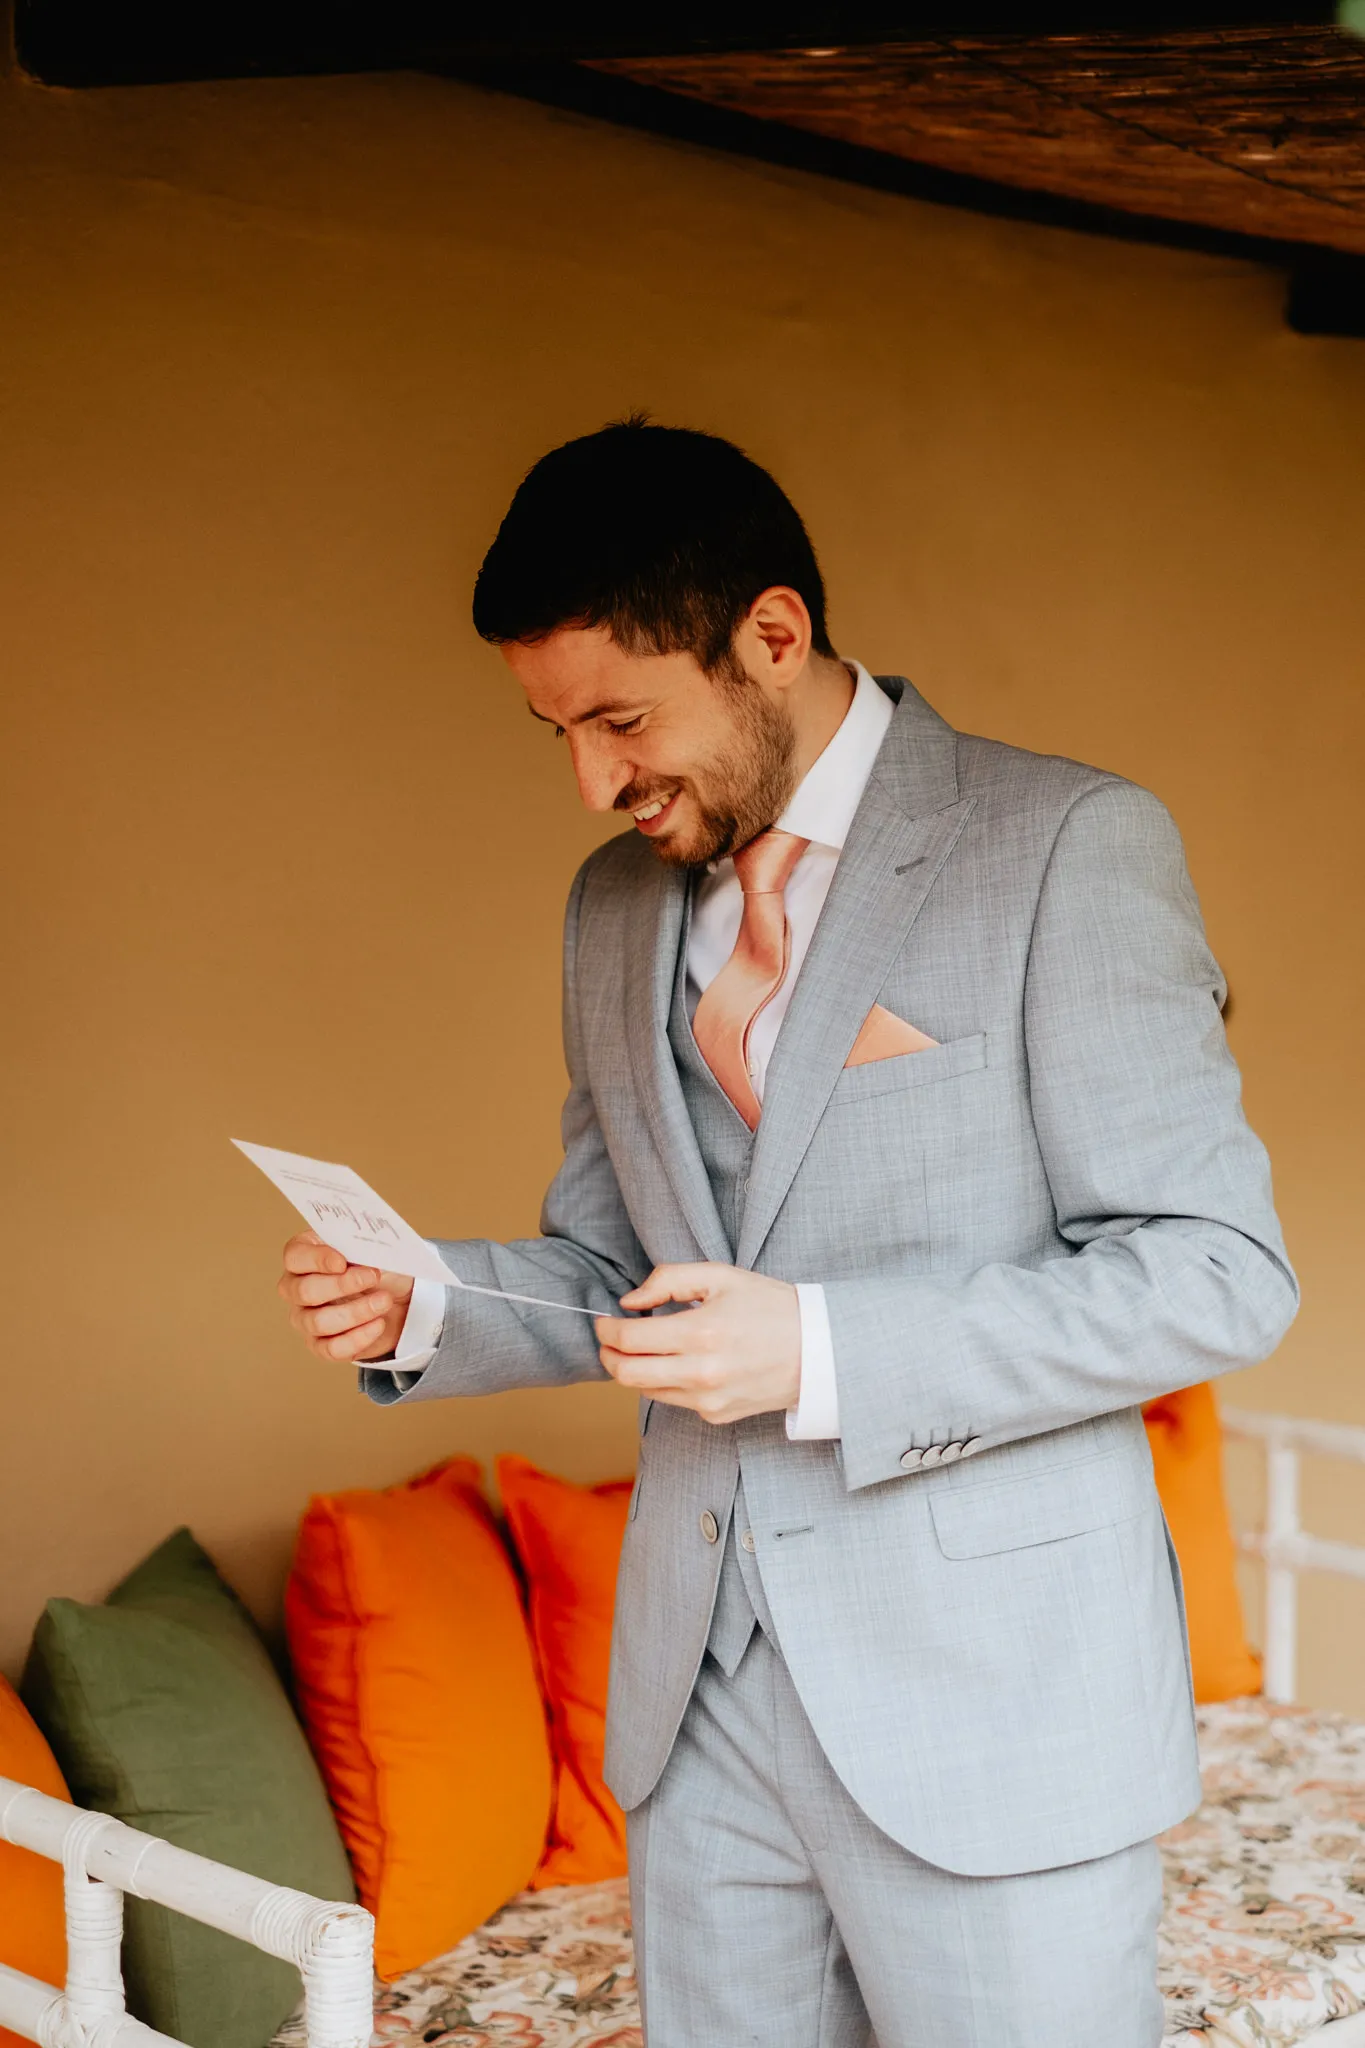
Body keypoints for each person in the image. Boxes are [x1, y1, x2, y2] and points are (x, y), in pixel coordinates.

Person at [277, 420, 1296, 2047]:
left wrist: (823, 1350)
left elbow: (1216, 1271)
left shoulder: (1064, 846)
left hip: (995, 1711)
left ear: (770, 637)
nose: (597, 781)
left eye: (623, 718)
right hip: (702, 1711)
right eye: (555, 730)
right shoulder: (614, 904)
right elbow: (630, 1274)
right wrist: (426, 1304)